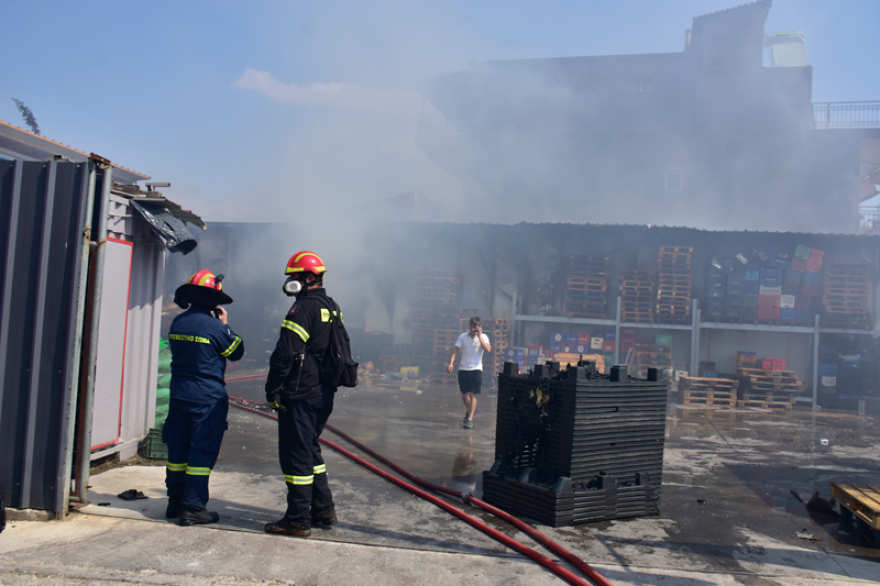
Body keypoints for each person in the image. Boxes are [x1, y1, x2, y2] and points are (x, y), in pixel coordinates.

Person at [264, 250, 341, 537]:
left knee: (296, 456)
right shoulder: (332, 306)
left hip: (300, 393)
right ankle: (323, 509)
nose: (290, 282)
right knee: (309, 448)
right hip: (323, 393)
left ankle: (297, 519)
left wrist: (272, 389)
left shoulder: (302, 308)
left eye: (294, 277)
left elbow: (285, 353)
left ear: (308, 278)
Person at [164, 270, 244, 526]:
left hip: (178, 396)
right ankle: (194, 507)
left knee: (178, 451)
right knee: (201, 452)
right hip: (207, 401)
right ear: (213, 300)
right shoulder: (214, 327)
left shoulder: (177, 323)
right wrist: (225, 326)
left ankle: (174, 503)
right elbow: (236, 352)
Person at [448, 316, 492, 429]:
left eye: (475, 327)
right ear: (469, 326)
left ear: (479, 327)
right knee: (464, 394)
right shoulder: (463, 336)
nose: (472, 329)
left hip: (476, 369)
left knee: (473, 394)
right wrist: (451, 363)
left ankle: (470, 419)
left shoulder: (484, 337)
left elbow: (488, 350)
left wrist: (480, 337)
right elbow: (455, 351)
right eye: (471, 326)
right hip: (463, 368)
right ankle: (470, 410)